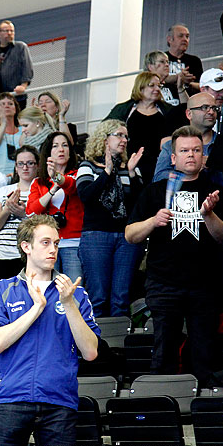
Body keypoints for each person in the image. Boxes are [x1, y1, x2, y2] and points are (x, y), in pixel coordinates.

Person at [0, 214, 99, 446]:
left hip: (58, 400)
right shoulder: (2, 289)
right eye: (45, 243)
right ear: (26, 247)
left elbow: (90, 352)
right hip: (10, 398)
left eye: (56, 243)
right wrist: (36, 309)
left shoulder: (75, 293)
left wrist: (68, 305)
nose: (53, 249)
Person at [126, 126, 223, 384]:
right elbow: (130, 235)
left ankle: (203, 406)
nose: (191, 155)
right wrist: (153, 221)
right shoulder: (155, 191)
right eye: (184, 151)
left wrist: (210, 215)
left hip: (204, 284)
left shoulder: (216, 190)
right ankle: (164, 404)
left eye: (196, 150)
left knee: (204, 352)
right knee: (164, 350)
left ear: (204, 156)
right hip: (163, 283)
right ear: (173, 158)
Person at [76, 120, 144, 317]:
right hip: (96, 236)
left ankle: (119, 346)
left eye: (126, 136)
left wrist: (131, 172)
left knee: (121, 298)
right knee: (98, 297)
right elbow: (86, 196)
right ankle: (98, 345)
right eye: (119, 135)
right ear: (105, 139)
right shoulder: (88, 165)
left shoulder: (130, 166)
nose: (124, 140)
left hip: (126, 237)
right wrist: (107, 172)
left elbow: (140, 204)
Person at [26, 132, 84, 283]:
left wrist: (56, 178)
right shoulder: (38, 182)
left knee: (74, 290)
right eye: (55, 146)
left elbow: (71, 186)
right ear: (48, 153)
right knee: (47, 290)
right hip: (47, 245)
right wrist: (53, 189)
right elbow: (31, 212)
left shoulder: (79, 174)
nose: (61, 149)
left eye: (65, 145)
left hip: (74, 243)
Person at [105, 72, 172, 182]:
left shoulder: (168, 110)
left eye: (159, 86)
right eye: (152, 85)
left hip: (160, 166)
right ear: (140, 88)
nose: (157, 89)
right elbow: (105, 130)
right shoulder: (123, 109)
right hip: (129, 164)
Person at [0, 146, 37, 281]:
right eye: (20, 164)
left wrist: (24, 215)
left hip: (30, 255)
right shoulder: (4, 191)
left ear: (37, 166)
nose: (25, 167)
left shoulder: (42, 191)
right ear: (15, 167)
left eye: (30, 163)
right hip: (2, 255)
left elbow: (45, 225)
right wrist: (7, 210)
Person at [165, 24, 203, 94]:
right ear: (169, 39)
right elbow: (157, 79)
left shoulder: (195, 61)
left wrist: (188, 83)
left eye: (187, 36)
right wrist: (178, 78)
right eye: (180, 36)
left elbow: (201, 86)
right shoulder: (162, 58)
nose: (185, 39)